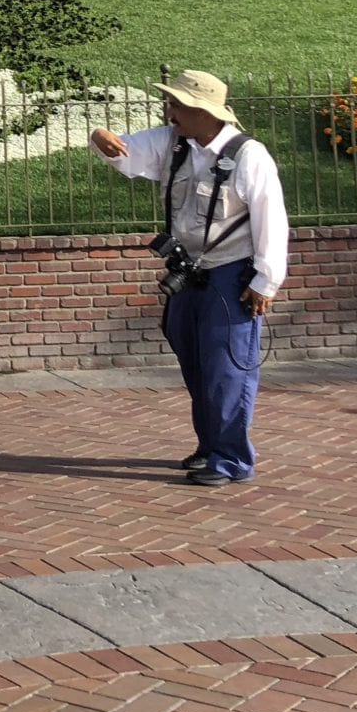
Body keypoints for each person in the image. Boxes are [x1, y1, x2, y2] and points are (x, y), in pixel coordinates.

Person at [90, 70, 288, 487]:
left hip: (232, 273)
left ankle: (231, 459)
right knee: (195, 360)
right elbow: (122, 151)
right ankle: (210, 445)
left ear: (203, 111)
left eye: (177, 105)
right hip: (188, 269)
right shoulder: (173, 141)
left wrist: (265, 281)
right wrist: (100, 136)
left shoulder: (250, 155)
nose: (170, 111)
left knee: (227, 368)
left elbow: (273, 220)